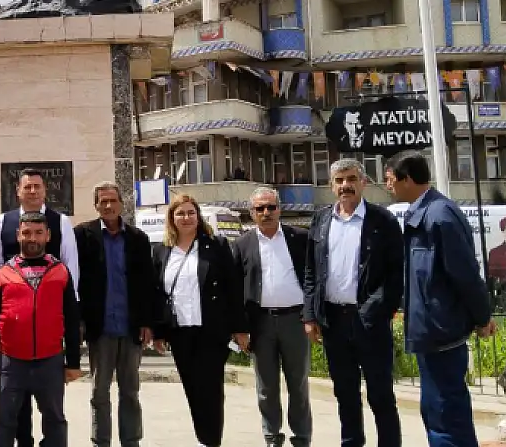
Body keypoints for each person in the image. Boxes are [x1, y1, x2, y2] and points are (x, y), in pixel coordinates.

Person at [388, 151, 495, 447]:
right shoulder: (422, 214)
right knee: (437, 413)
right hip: (431, 332)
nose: (388, 186)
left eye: (390, 179)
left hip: (442, 332)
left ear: (407, 179)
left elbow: (466, 274)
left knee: (446, 415)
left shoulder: (439, 215)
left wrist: (482, 317)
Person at [302, 158, 404, 447]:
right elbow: (312, 271)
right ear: (331, 185)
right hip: (334, 322)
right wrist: (310, 316)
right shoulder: (321, 220)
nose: (345, 185)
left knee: (380, 395)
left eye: (350, 179)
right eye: (339, 180)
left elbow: (396, 274)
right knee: (345, 394)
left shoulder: (382, 221)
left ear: (363, 182)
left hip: (369, 320)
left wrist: (375, 310)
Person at [0, 168, 79, 447]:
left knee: (53, 417)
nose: (33, 191)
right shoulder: (3, 222)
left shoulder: (61, 222)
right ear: (18, 191)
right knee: (11, 417)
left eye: (37, 186)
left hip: (49, 347)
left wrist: (72, 358)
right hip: (13, 345)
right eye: (27, 187)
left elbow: (70, 267)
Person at [151, 194, 247, 447]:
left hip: (211, 330)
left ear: (198, 216)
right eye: (180, 213)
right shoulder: (162, 251)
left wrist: (239, 328)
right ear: (172, 219)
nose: (186, 218)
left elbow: (233, 288)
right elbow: (157, 294)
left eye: (190, 212)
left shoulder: (216, 245)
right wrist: (159, 332)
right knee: (192, 389)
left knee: (210, 390)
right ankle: (203, 437)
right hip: (180, 332)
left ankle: (210, 441)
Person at [74, 182, 155, 447]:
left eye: (112, 201)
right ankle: (101, 441)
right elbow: (76, 282)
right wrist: (80, 321)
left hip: (131, 328)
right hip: (100, 329)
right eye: (102, 202)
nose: (108, 206)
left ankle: (131, 440)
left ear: (121, 203)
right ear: (96, 205)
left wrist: (147, 322)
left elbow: (147, 284)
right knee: (99, 392)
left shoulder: (138, 238)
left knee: (130, 391)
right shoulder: (82, 236)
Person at [231, 187, 312, 447]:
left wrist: (312, 318)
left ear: (279, 209)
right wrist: (240, 328)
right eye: (260, 209)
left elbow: (313, 279)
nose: (266, 213)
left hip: (295, 321)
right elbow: (235, 290)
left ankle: (301, 438)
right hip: (260, 324)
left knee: (298, 385)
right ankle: (272, 437)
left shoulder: (300, 238)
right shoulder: (242, 244)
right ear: (251, 213)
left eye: (271, 207)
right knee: (266, 388)